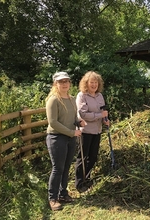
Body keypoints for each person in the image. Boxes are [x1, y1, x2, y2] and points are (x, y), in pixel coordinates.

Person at [46, 71, 85, 211]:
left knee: (66, 167)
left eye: (66, 81)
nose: (64, 84)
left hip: (71, 137)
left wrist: (79, 121)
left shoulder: (71, 98)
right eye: (61, 82)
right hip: (56, 138)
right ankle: (53, 198)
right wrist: (71, 132)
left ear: (69, 83)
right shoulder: (53, 100)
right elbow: (53, 122)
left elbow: (73, 118)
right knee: (58, 168)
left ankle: (63, 194)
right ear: (55, 84)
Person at [75, 71, 109, 193]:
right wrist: (100, 115)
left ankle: (87, 179)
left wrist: (105, 119)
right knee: (82, 157)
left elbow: (103, 111)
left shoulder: (100, 96)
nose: (94, 85)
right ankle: (79, 183)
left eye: (96, 82)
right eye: (91, 82)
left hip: (97, 131)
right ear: (86, 83)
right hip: (85, 131)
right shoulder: (82, 96)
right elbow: (83, 114)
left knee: (93, 157)